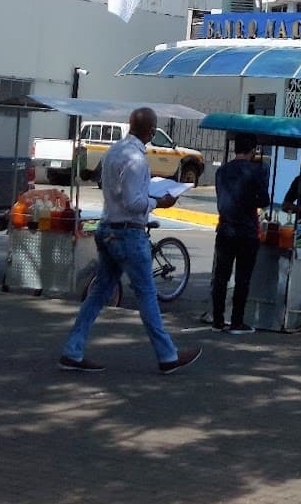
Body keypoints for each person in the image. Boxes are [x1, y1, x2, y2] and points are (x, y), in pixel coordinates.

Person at [60, 107, 202, 375]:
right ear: (150, 131)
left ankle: (73, 349)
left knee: (99, 292)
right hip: (129, 232)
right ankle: (167, 355)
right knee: (147, 294)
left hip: (108, 227)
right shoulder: (137, 160)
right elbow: (134, 201)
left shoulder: (115, 151)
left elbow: (112, 189)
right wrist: (160, 201)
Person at [207, 135, 269, 333]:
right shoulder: (256, 171)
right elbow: (264, 200)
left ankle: (217, 319)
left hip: (225, 229)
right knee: (242, 278)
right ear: (252, 151)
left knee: (221, 276)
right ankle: (236, 321)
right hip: (247, 232)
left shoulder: (221, 171)